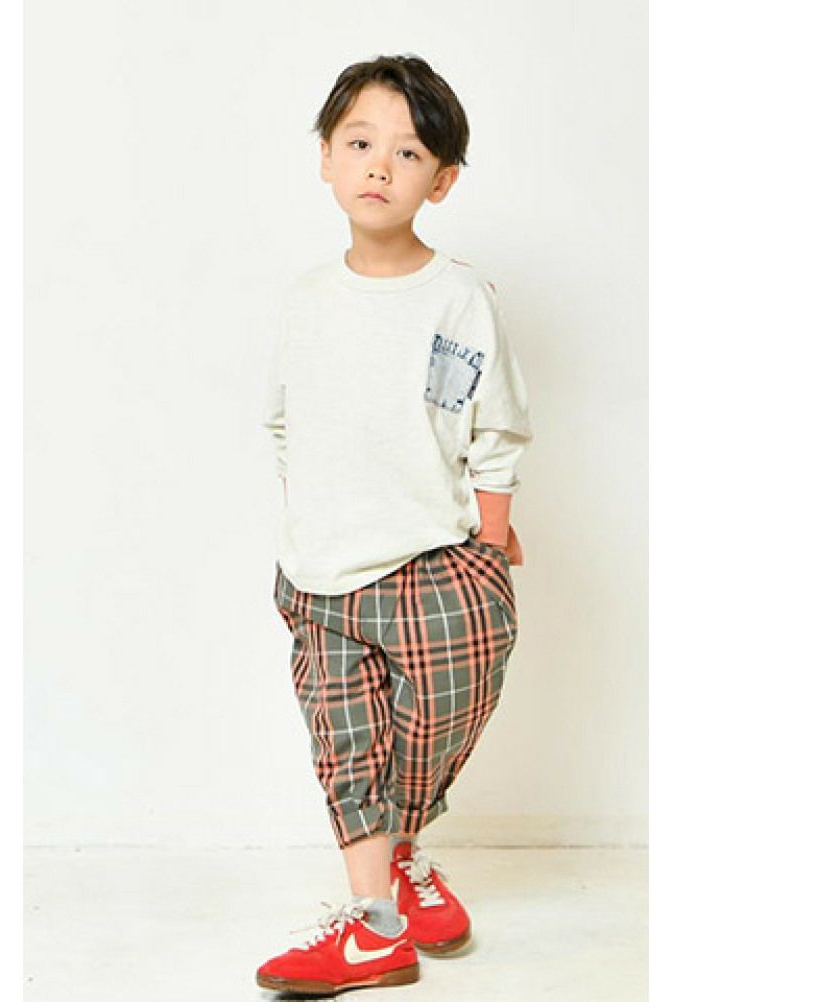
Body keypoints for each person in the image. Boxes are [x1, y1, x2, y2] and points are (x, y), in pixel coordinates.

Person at [256, 53, 533, 996]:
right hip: (321, 571)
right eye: (359, 143)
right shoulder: (305, 299)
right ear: (325, 158)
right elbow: (283, 421)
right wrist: (314, 514)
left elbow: (489, 421)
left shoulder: (458, 299)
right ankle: (374, 925)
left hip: (432, 560)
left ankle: (404, 852)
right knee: (346, 746)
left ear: (441, 181)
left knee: (440, 715)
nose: (379, 165)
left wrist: (491, 532)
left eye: (408, 152)